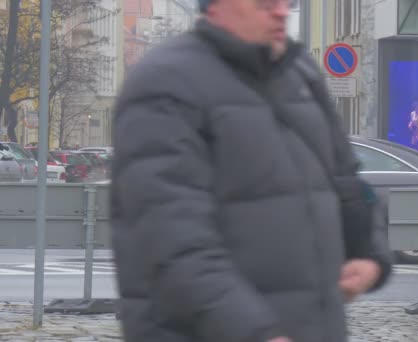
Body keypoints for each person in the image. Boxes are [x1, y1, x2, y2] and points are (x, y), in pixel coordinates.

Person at [110, 0, 393, 341]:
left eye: (285, 2)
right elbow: (170, 237)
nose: (281, 12)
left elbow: (346, 180)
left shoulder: (298, 71)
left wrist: (369, 253)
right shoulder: (164, 84)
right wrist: (254, 332)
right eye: (264, 3)